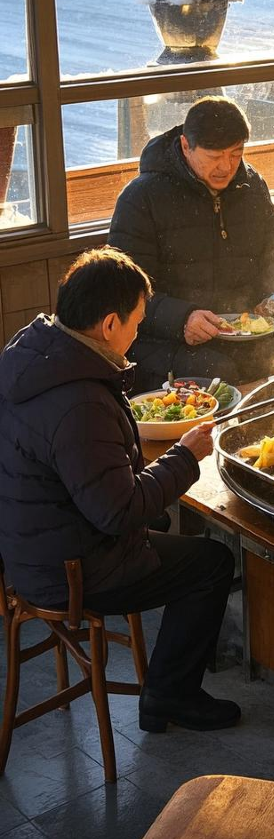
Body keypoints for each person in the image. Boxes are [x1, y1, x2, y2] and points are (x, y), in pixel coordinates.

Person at [0, 246, 240, 734]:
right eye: (136, 323)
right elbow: (118, 512)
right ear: (110, 324)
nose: (136, 334)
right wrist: (184, 456)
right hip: (71, 571)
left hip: (28, 550)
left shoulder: (34, 356)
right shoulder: (79, 402)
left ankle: (168, 686)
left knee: (166, 525)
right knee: (212, 563)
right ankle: (170, 697)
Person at [108, 95, 274, 391]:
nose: (226, 166)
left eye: (236, 154)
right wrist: (182, 319)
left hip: (240, 328)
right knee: (217, 371)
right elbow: (123, 291)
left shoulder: (251, 185)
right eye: (214, 156)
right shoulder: (141, 198)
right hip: (166, 337)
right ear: (186, 145)